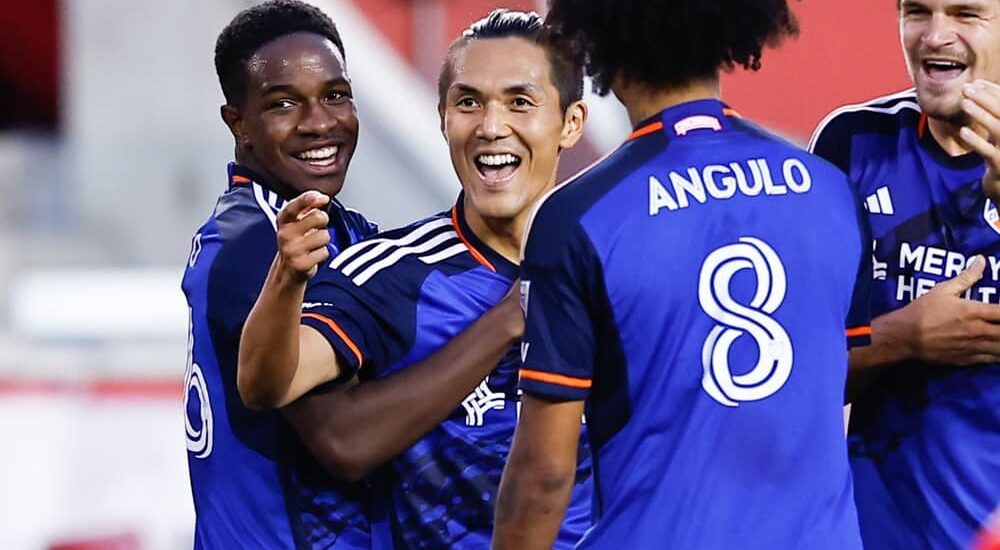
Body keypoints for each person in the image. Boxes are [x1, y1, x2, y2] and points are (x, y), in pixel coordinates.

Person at [493, 1, 877, 548]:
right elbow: (837, 377)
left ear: (595, 39)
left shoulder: (580, 217)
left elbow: (544, 475)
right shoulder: (830, 189)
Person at [238, 9, 593, 549]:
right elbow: (268, 385)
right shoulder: (389, 272)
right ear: (443, 118)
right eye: (468, 103)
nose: (491, 127)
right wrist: (287, 277)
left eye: (520, 102)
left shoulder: (621, 266)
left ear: (571, 122)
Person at [180, 2, 378, 547]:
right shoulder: (251, 244)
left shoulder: (343, 228)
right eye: (283, 103)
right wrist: (504, 323)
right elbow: (343, 441)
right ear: (237, 123)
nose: (320, 123)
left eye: (335, 95)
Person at [808, 0, 1000, 547]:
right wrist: (903, 338)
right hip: (877, 531)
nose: (935, 36)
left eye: (965, 14)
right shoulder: (852, 144)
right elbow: (788, 375)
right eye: (917, 12)